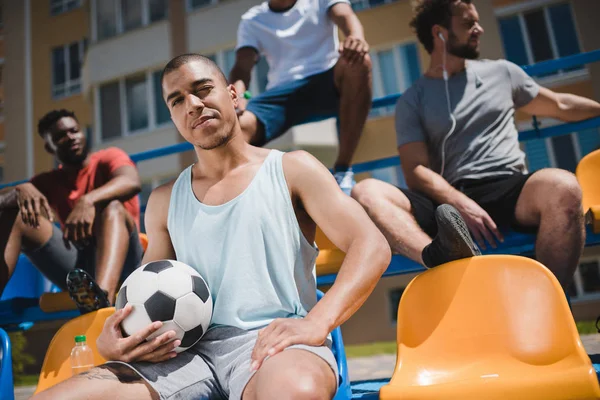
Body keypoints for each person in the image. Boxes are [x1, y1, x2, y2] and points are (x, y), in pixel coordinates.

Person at [31, 54, 392, 400]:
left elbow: (371, 245)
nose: (192, 104)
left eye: (203, 89)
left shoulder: (292, 169)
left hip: (275, 342)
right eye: (176, 101)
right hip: (182, 352)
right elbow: (147, 290)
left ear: (233, 95)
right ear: (173, 116)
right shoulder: (164, 200)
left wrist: (317, 322)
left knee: (295, 394)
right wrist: (118, 336)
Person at [351, 0, 600, 289]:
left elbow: (560, 105)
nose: (479, 29)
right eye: (469, 23)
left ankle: (544, 304)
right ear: (439, 32)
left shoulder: (504, 72)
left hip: (508, 188)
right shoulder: (413, 99)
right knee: (366, 190)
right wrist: (459, 202)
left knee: (564, 187)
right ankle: (437, 256)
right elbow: (415, 169)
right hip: (447, 203)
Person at [0, 109, 144, 308]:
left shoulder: (108, 157)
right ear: (49, 148)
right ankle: (92, 296)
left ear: (82, 132)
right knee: (16, 214)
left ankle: (99, 303)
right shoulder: (49, 181)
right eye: (60, 137)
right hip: (81, 268)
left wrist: (89, 200)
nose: (70, 138)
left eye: (73, 131)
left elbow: (131, 181)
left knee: (112, 207)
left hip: (127, 261)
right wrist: (20, 190)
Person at [229, 0, 372, 194]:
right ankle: (251, 190)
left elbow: (345, 16)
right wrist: (238, 93)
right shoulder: (252, 19)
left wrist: (356, 37)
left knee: (359, 62)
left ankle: (343, 170)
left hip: (328, 80)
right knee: (235, 126)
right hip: (283, 94)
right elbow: (243, 65)